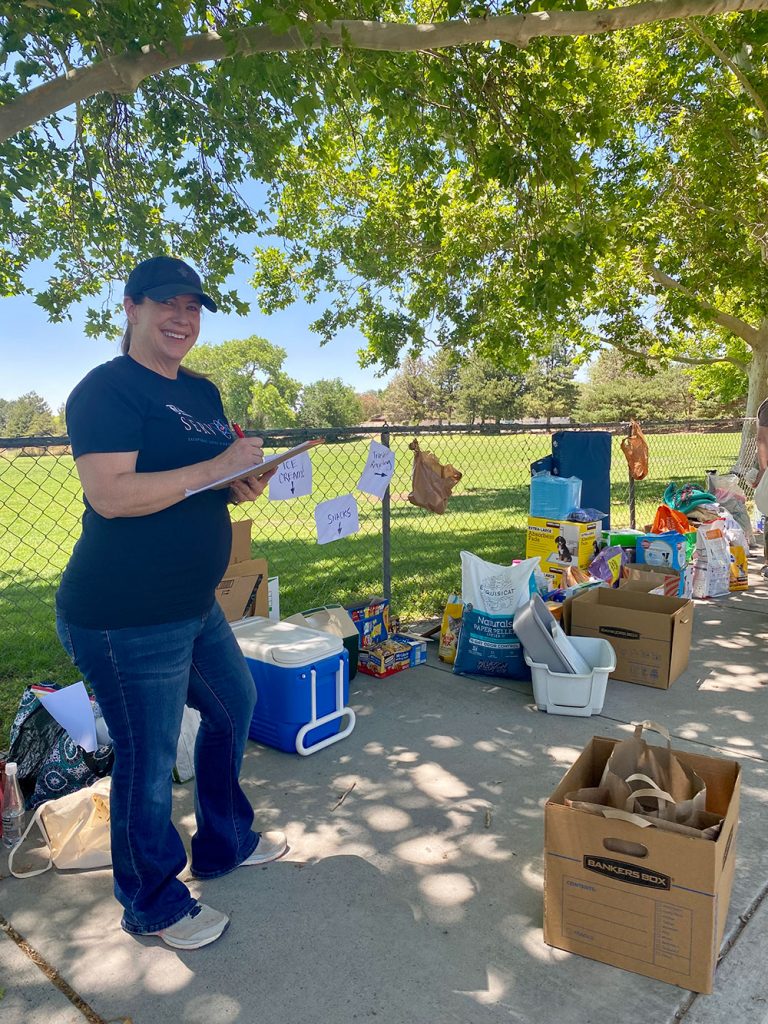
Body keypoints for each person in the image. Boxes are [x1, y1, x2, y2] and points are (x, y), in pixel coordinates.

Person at [55, 256, 286, 950]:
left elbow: (209, 480)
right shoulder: (106, 392)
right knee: (148, 761)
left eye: (193, 307)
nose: (183, 319)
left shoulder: (204, 391)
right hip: (124, 615)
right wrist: (216, 468)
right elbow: (113, 496)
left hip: (192, 604)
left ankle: (223, 840)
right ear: (130, 307)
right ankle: (152, 901)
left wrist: (242, 480)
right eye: (167, 304)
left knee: (233, 706)